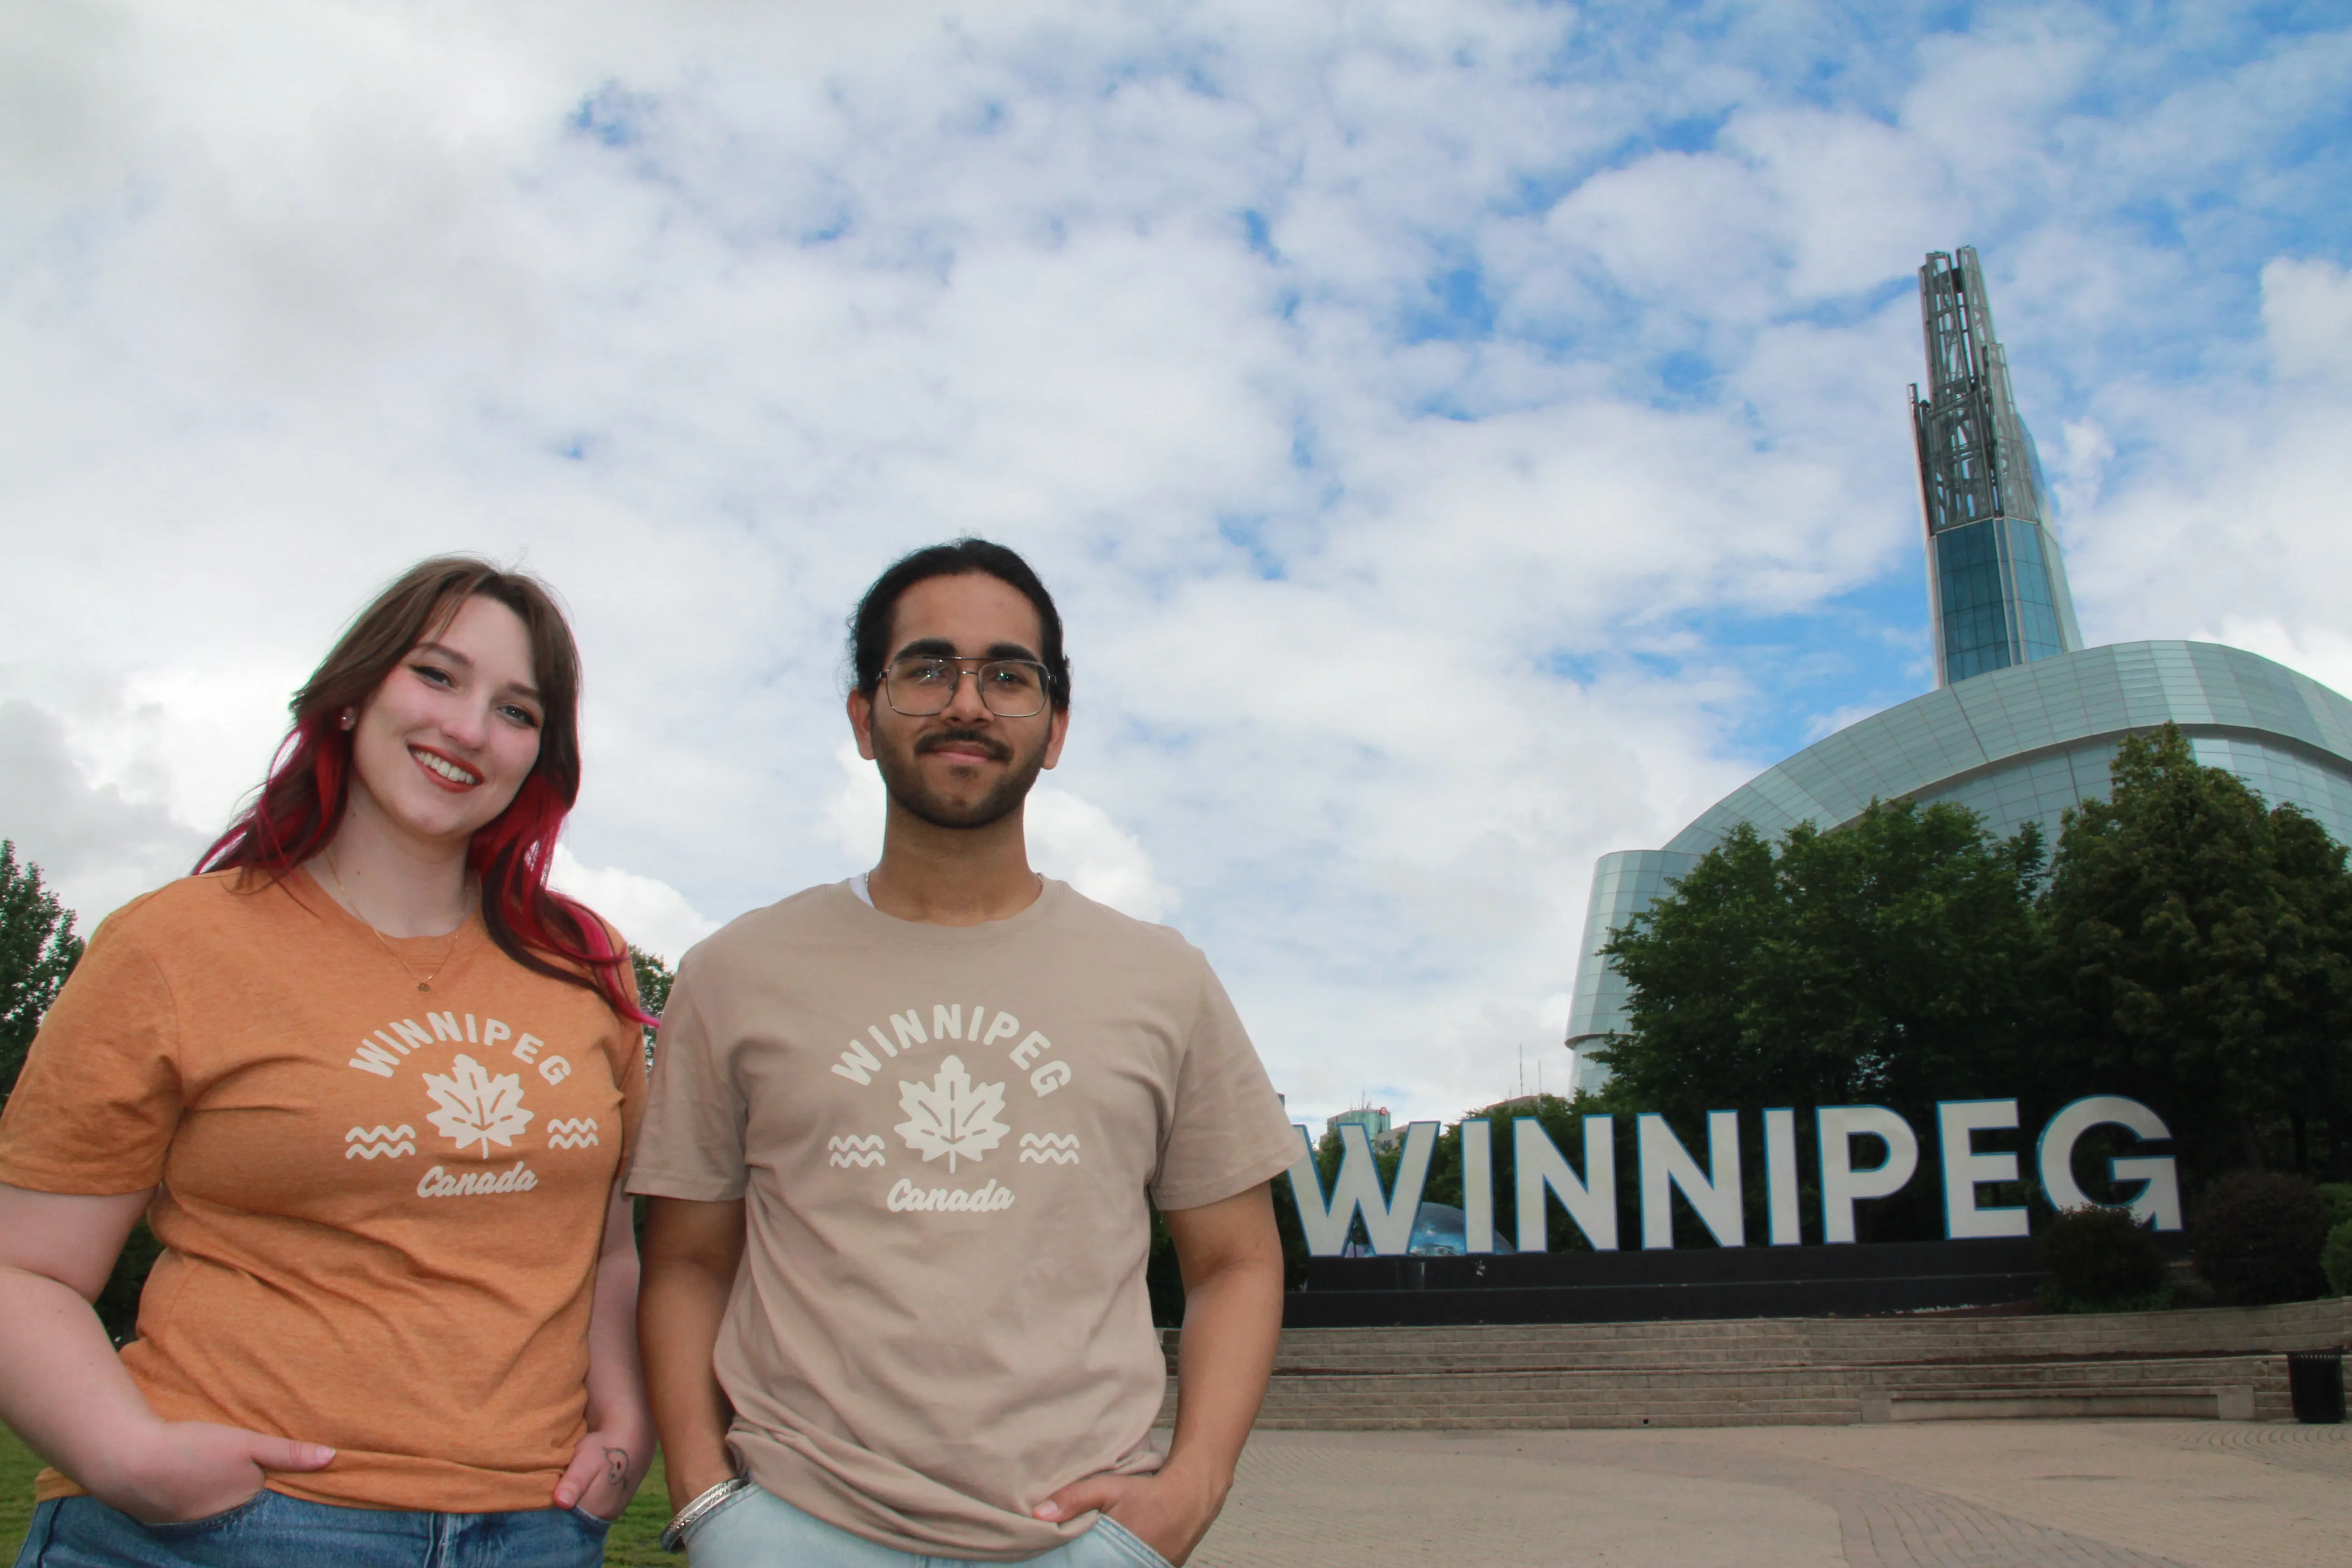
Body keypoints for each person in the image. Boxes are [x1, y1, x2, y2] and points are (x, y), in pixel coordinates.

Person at [633, 539, 1297, 1568]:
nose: (969, 703)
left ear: (1056, 728)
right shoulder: (735, 972)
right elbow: (683, 1260)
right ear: (864, 715)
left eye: (1009, 675)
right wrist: (707, 1500)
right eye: (927, 667)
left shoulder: (1163, 979)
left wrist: (1191, 1492)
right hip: (797, 1529)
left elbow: (1238, 1262)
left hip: (1078, 1538)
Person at [0, 558, 653, 1568]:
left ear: (541, 754)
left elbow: (606, 1247)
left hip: (531, 1530)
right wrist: (128, 1457)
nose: (470, 730)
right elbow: (25, 1266)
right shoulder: (174, 945)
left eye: (517, 710)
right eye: (436, 677)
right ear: (355, 696)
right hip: (226, 1528)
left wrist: (625, 1428)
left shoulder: (585, 962)